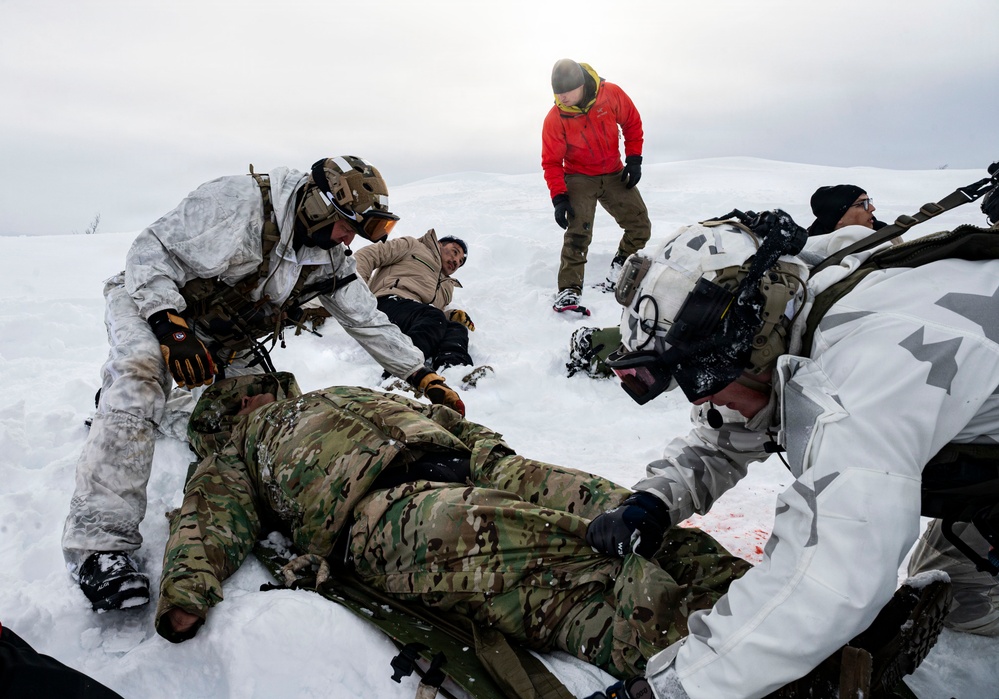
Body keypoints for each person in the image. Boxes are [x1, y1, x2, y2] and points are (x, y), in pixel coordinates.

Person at [583, 199, 999, 698]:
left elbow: (832, 579)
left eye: (701, 378)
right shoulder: (809, 293)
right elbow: (731, 431)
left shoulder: (865, 369)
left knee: (960, 604)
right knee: (961, 596)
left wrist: (674, 689)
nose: (702, 398)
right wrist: (652, 501)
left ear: (750, 342)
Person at [63, 156, 465, 613]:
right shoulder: (239, 203)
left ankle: (155, 416)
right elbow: (150, 250)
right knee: (139, 378)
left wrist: (420, 372)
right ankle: (101, 547)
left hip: (224, 333)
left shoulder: (326, 257)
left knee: (260, 415)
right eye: (345, 225)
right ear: (317, 205)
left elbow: (366, 318)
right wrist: (169, 325)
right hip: (149, 302)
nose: (347, 239)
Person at [155, 372, 750, 681]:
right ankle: (728, 662)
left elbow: (437, 416)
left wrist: (493, 454)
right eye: (241, 403)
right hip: (383, 514)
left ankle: (764, 598)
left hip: (474, 465)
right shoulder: (237, 452)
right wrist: (184, 593)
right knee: (558, 564)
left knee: (624, 510)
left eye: (255, 395)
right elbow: (208, 520)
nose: (254, 402)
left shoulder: (338, 392)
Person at [542, 58, 652, 314]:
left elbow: (632, 122)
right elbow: (551, 162)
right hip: (579, 177)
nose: (562, 97)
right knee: (578, 232)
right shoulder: (555, 118)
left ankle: (619, 271)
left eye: (567, 91)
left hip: (614, 172)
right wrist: (559, 198)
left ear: (581, 85)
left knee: (640, 226)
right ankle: (569, 290)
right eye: (557, 93)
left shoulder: (610, 94)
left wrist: (634, 159)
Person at [353, 228, 475, 371]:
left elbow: (434, 312)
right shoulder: (413, 246)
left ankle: (454, 370)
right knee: (433, 317)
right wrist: (358, 294)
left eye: (460, 262)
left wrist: (451, 315)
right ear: (439, 244)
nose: (456, 261)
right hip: (390, 302)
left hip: (417, 316)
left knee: (456, 328)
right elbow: (367, 255)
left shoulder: (447, 287)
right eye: (455, 252)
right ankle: (404, 374)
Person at [806, 183, 887, 236]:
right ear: (838, 217)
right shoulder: (808, 251)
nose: (872, 208)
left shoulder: (888, 236)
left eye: (868, 202)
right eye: (861, 204)